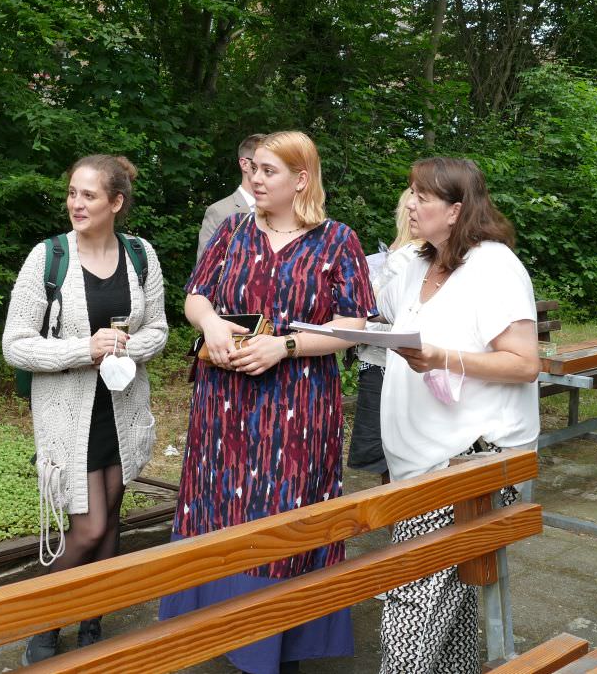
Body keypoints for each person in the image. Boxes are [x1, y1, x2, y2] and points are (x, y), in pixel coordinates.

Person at [160, 131, 375, 674]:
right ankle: (215, 630)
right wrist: (211, 324)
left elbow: (353, 324)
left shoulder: (337, 240)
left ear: (301, 179)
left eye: (268, 171)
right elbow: (195, 295)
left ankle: (279, 645)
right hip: (224, 401)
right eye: (253, 168)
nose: (255, 179)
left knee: (285, 514)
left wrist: (285, 346)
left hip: (299, 404)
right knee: (220, 506)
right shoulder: (232, 230)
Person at [375, 157, 541, 674]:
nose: (409, 204)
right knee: (452, 608)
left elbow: (524, 363)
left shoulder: (493, 267)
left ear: (455, 210)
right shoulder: (418, 265)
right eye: (410, 192)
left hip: (471, 461)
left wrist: (441, 358)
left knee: (410, 604)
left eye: (421, 196)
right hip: (418, 464)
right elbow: (379, 312)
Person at [3, 154, 167, 663]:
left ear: (115, 203)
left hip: (121, 408)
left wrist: (125, 346)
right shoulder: (47, 257)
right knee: (90, 527)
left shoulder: (141, 255)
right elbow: (15, 344)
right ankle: (44, 623)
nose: (76, 203)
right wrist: (85, 349)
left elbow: (158, 329)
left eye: (89, 195)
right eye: (72, 193)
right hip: (68, 415)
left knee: (111, 519)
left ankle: (92, 619)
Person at [347, 188, 422, 481]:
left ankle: (397, 508)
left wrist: (357, 322)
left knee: (387, 456)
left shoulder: (404, 257)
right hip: (409, 364)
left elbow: (376, 312)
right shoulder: (426, 255)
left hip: (385, 363)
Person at [197, 133, 266, 261]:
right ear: (244, 164)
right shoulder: (220, 212)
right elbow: (205, 267)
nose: (269, 170)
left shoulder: (282, 210)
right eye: (263, 164)